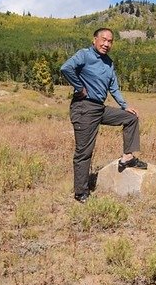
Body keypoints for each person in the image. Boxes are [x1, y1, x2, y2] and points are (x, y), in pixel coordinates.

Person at [61, 27, 146, 202]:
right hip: (84, 108)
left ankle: (128, 158)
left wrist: (124, 106)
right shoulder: (84, 55)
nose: (106, 44)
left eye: (110, 41)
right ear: (95, 40)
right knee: (84, 151)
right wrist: (79, 87)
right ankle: (81, 192)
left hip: (99, 108)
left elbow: (113, 87)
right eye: (104, 40)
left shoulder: (109, 63)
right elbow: (66, 68)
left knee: (131, 118)